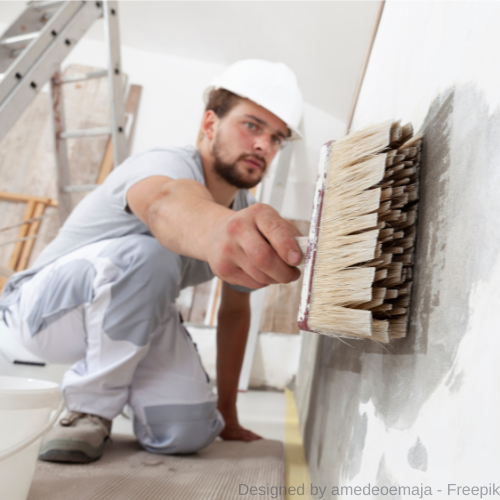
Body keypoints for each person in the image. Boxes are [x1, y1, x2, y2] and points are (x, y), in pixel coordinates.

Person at [0, 59, 304, 463]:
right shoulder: (164, 165)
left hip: (133, 319)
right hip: (44, 312)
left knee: (190, 432)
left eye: (276, 138)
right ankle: (89, 409)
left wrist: (227, 412)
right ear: (210, 124)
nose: (264, 145)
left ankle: (123, 382)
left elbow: (235, 313)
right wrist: (219, 231)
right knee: (152, 252)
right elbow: (165, 204)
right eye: (251, 126)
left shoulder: (244, 210)